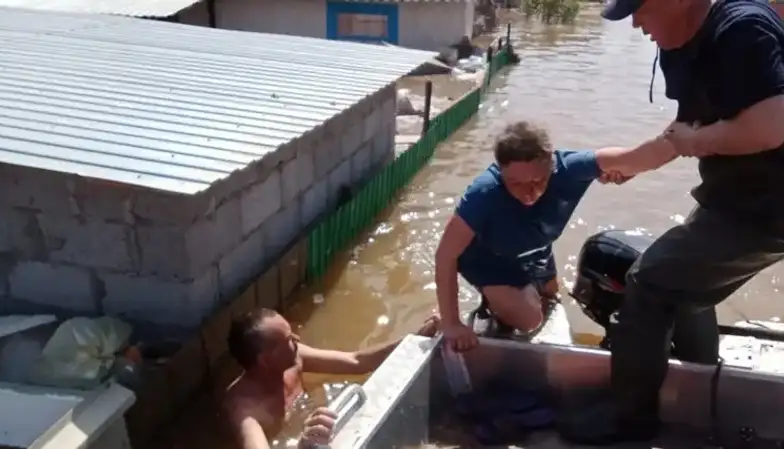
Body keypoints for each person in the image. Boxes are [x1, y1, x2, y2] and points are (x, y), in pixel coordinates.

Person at [559, 0, 784, 445]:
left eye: (640, 11)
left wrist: (697, 141)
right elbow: (682, 132)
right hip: (735, 198)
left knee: (652, 282)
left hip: (768, 208)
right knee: (681, 282)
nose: (637, 25)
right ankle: (698, 376)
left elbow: (772, 125)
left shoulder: (741, 31)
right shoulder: (679, 43)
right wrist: (631, 165)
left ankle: (631, 421)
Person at [435, 121, 679, 352]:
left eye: (538, 180)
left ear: (551, 164)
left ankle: (516, 298)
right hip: (490, 262)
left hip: (535, 250)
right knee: (530, 319)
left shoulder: (570, 169)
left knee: (552, 300)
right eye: (515, 183)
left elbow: (647, 156)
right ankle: (460, 316)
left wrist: (697, 128)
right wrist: (452, 323)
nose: (528, 192)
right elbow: (445, 256)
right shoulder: (483, 194)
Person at [223, 308, 440, 449]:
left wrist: (412, 339)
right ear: (265, 360)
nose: (297, 339)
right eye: (288, 339)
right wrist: (303, 446)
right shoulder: (244, 409)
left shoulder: (295, 357)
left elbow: (357, 362)